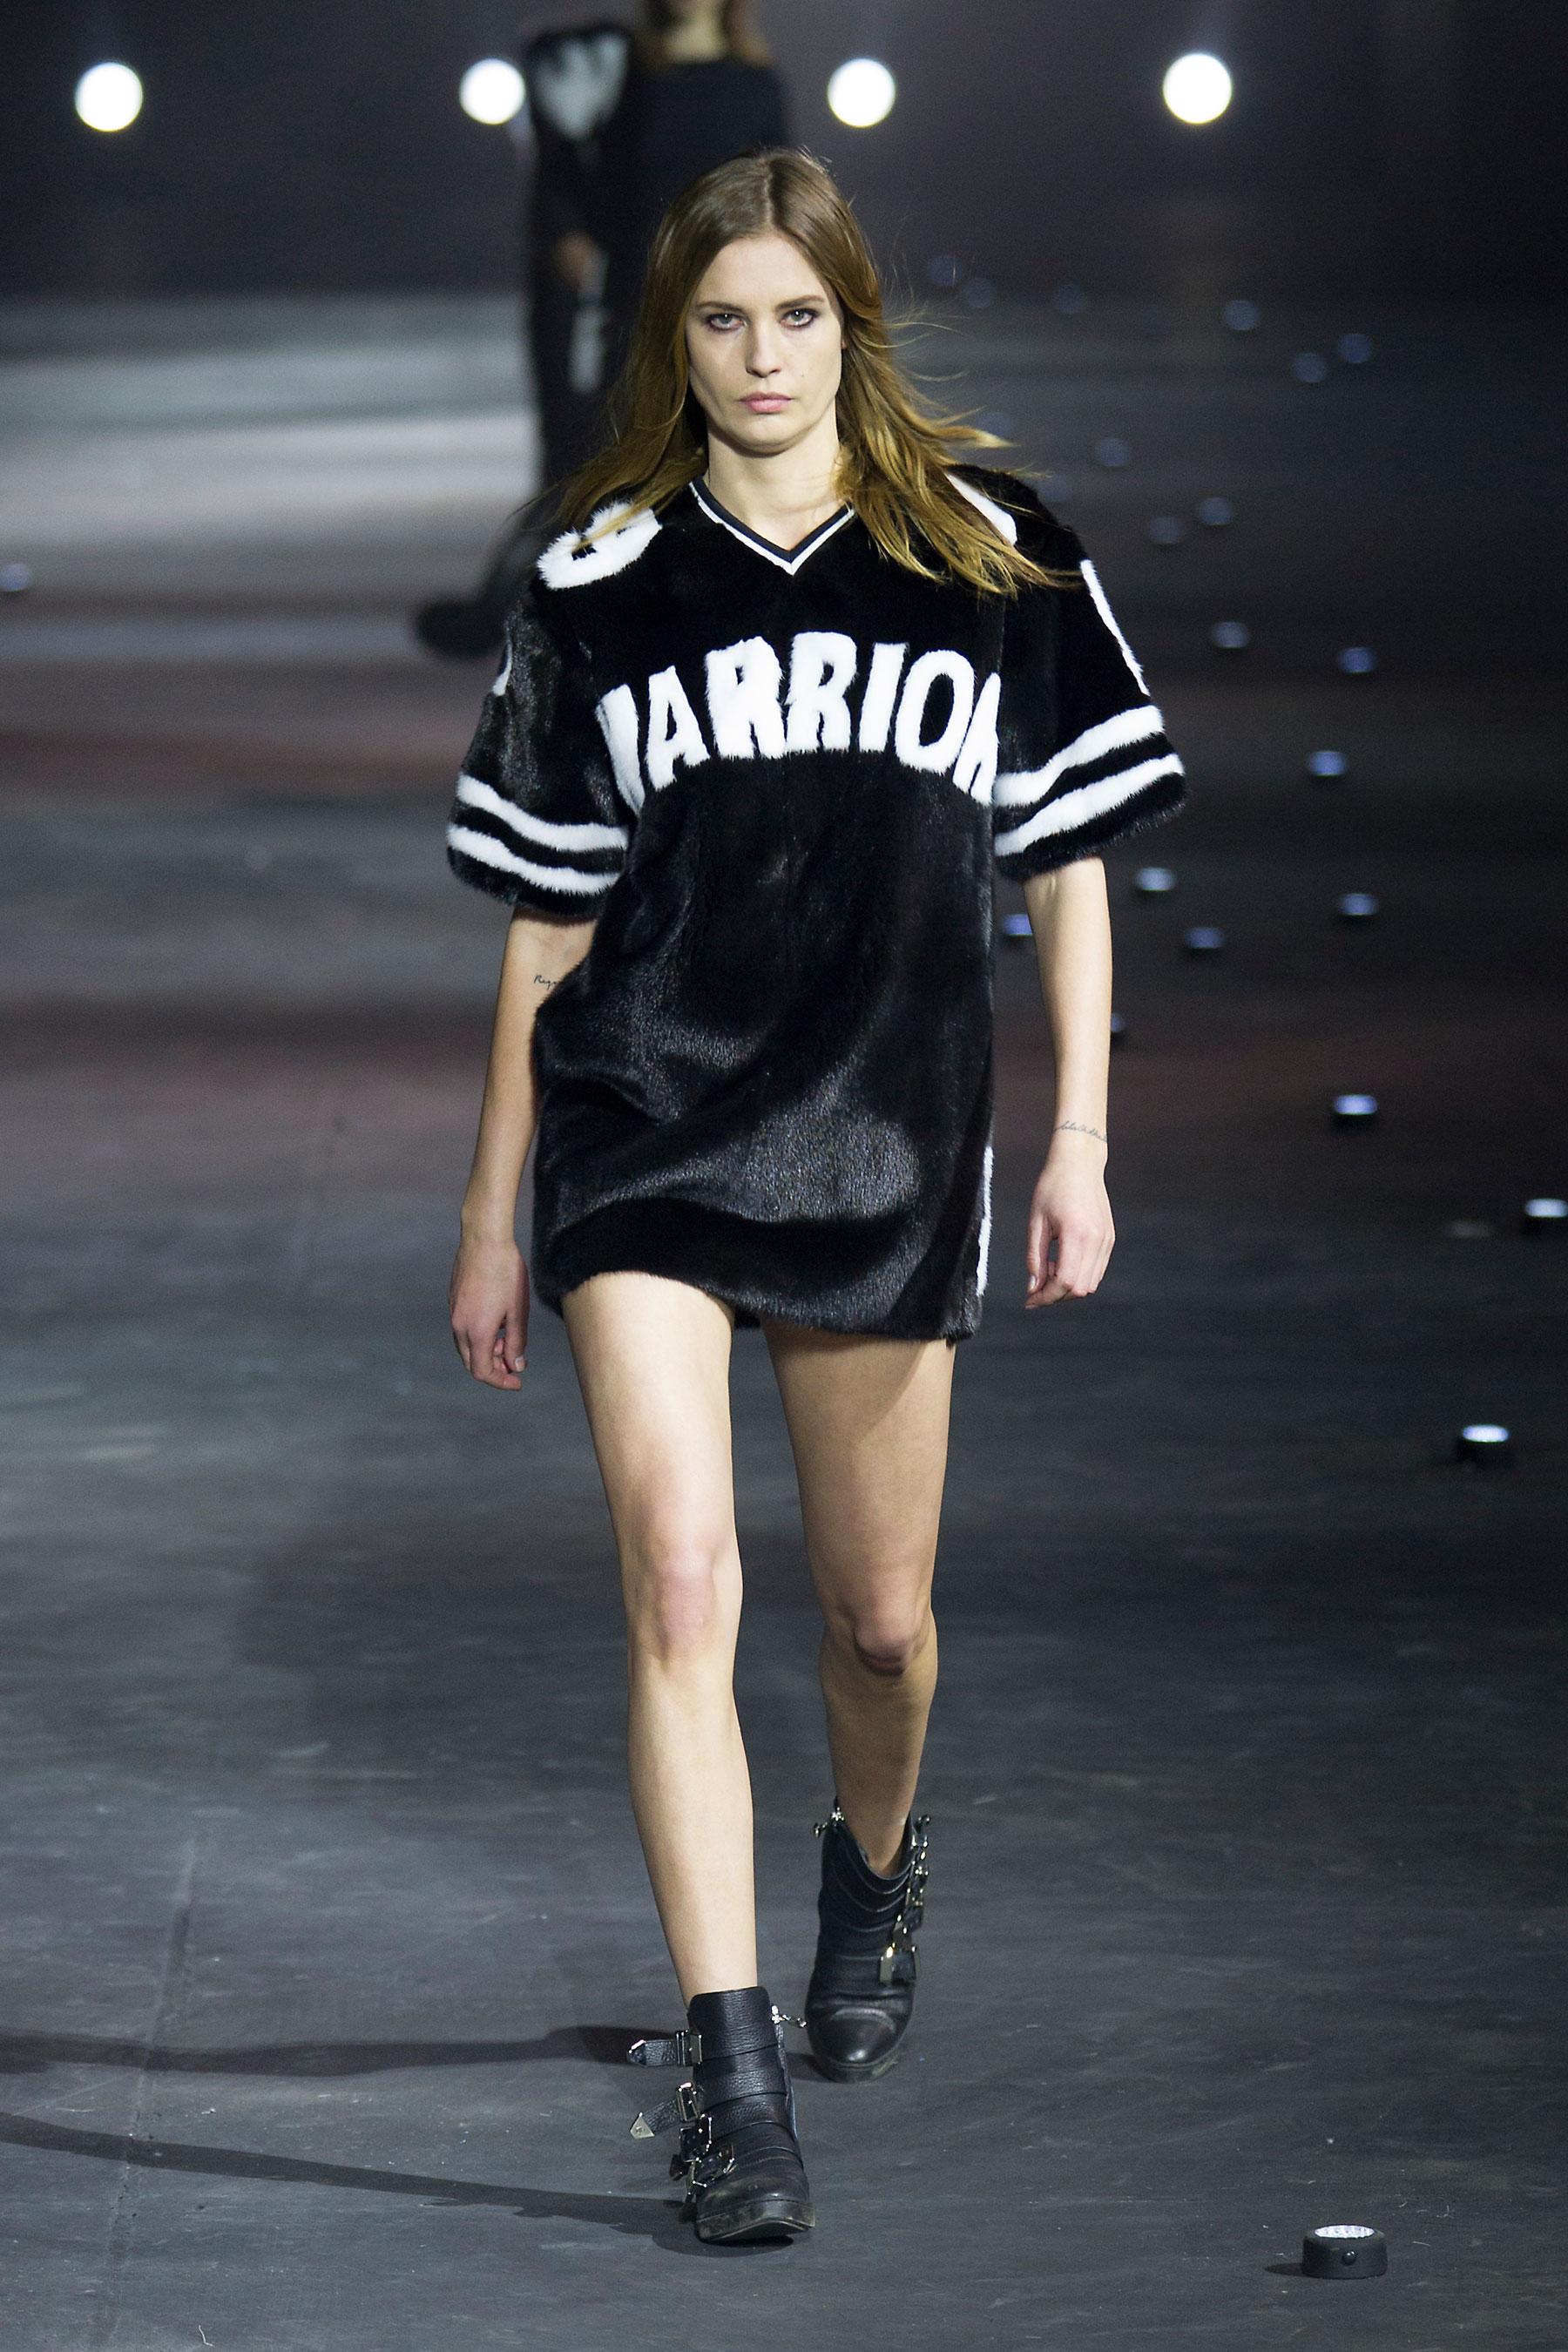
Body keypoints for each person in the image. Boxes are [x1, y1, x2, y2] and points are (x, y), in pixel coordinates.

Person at [444, 149, 1186, 2244]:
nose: (761, 357)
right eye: (720, 319)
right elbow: (544, 925)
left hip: (883, 1130)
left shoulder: (993, 550)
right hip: (644, 1122)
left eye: (797, 315)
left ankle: (874, 1866)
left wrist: (1082, 1141)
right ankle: (735, 2077)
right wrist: (494, 1209)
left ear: (853, 322)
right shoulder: (599, 583)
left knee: (877, 1620)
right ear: (671, 340)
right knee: (683, 1583)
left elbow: (1068, 868)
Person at [415, 1, 787, 658]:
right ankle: (524, 613)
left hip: (722, 312)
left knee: (718, 472)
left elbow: (780, 202)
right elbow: (562, 170)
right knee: (594, 468)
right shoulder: (616, 67)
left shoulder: (755, 85)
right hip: (628, 307)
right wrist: (566, 232)